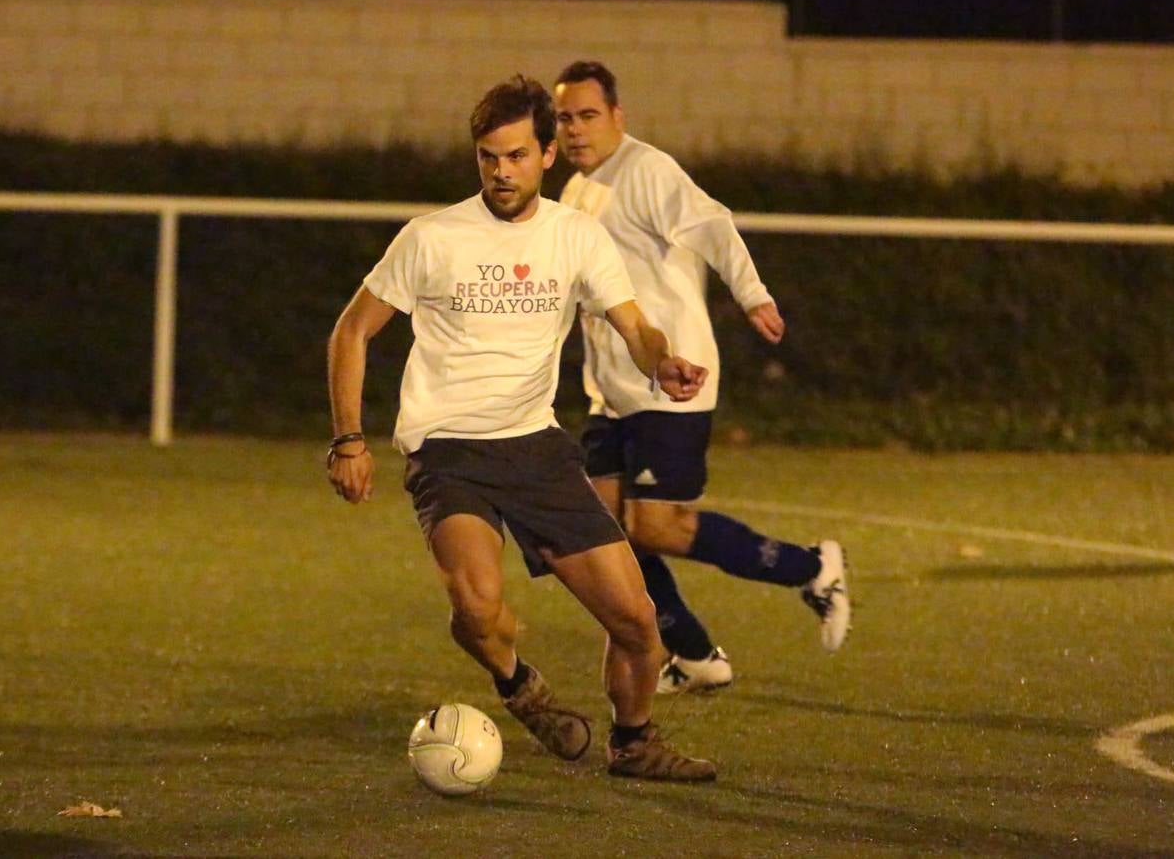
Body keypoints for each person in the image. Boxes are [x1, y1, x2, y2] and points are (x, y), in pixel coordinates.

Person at [327, 75, 717, 781]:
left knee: (637, 622)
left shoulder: (577, 236)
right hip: (448, 449)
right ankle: (519, 685)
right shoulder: (431, 237)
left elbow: (633, 324)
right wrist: (348, 438)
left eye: (514, 156)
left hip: (536, 447)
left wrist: (662, 364)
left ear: (546, 156)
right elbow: (352, 332)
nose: (500, 172)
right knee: (478, 608)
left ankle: (633, 743)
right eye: (487, 157)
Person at [552, 60, 851, 695]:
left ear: (617, 117)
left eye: (588, 115)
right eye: (565, 117)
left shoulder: (644, 170)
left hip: (672, 382)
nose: (576, 130)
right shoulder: (575, 193)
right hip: (611, 393)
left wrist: (752, 294)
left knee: (654, 528)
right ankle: (693, 654)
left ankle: (811, 567)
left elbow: (713, 224)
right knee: (603, 534)